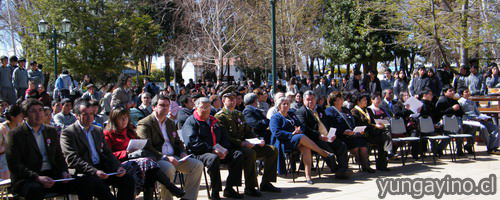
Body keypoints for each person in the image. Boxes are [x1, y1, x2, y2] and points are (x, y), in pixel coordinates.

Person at [6, 99, 93, 200]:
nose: (38, 114)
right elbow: (14, 164)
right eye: (33, 111)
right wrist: (36, 177)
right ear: (25, 115)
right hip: (28, 179)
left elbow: (59, 156)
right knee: (35, 189)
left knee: (85, 182)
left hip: (51, 175)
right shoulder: (16, 134)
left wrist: (64, 171)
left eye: (40, 110)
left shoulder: (51, 131)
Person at [60, 99, 135, 200]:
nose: (89, 117)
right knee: (101, 188)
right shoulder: (69, 133)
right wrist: (94, 171)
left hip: (101, 167)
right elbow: (72, 159)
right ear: (77, 115)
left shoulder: (97, 130)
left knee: (128, 180)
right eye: (85, 114)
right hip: (84, 171)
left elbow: (108, 152)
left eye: (91, 114)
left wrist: (118, 166)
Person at [104, 107, 185, 200]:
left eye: (126, 117)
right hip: (120, 163)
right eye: (120, 118)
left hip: (138, 160)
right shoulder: (108, 134)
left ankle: (155, 194)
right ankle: (170, 187)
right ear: (114, 120)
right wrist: (125, 153)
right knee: (148, 163)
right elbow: (108, 155)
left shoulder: (130, 132)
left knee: (149, 168)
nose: (124, 120)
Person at [215, 87, 280, 196]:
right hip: (233, 147)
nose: (233, 101)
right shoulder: (220, 117)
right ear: (223, 101)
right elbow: (226, 137)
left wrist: (257, 140)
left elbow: (248, 131)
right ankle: (250, 187)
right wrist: (241, 143)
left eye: (234, 98)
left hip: (246, 144)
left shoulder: (238, 114)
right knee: (250, 153)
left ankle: (266, 182)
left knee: (272, 150)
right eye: (230, 99)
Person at [136, 94, 203, 200]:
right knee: (169, 168)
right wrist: (165, 157)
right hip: (157, 159)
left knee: (197, 165)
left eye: (167, 105)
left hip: (175, 157)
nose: (165, 108)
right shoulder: (145, 123)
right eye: (162, 105)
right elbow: (146, 147)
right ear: (154, 107)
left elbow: (178, 142)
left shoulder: (170, 123)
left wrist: (182, 152)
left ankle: (188, 198)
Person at [183, 97, 244, 200]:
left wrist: (224, 149)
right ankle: (215, 191)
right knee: (213, 158)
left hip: (217, 150)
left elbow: (224, 137)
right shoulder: (191, 121)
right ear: (196, 108)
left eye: (207, 107)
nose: (205, 110)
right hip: (200, 153)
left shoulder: (213, 120)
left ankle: (229, 188)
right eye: (202, 107)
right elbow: (192, 142)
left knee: (237, 155)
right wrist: (211, 149)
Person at [270, 97, 335, 184]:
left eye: (288, 104)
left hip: (297, 139)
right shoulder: (275, 117)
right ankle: (323, 152)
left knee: (306, 148)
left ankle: (308, 177)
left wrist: (299, 129)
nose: (286, 106)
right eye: (284, 104)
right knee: (301, 137)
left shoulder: (291, 114)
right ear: (278, 106)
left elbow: (301, 125)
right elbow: (276, 132)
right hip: (284, 141)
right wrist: (292, 134)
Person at [295, 91, 350, 179]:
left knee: (342, 145)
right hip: (314, 139)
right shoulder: (301, 112)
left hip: (327, 136)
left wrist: (332, 133)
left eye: (312, 99)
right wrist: (319, 135)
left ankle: (343, 168)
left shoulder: (320, 108)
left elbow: (327, 122)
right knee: (327, 149)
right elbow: (305, 129)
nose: (310, 101)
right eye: (308, 99)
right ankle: (336, 170)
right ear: (303, 100)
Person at [325, 91, 374, 172]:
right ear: (334, 101)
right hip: (340, 135)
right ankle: (362, 164)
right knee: (354, 144)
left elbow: (352, 122)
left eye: (342, 98)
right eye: (340, 98)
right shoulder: (330, 110)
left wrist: (357, 131)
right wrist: (344, 132)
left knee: (362, 143)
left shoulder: (345, 110)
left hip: (351, 133)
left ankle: (365, 165)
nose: (342, 100)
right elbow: (332, 125)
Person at [350, 93, 391, 171]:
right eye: (364, 100)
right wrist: (375, 126)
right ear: (358, 102)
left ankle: (382, 164)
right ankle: (366, 164)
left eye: (366, 99)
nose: (366, 101)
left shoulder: (367, 109)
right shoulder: (354, 111)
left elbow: (373, 120)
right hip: (362, 134)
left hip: (371, 133)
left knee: (384, 138)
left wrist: (378, 124)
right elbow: (361, 124)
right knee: (380, 138)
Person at [458, 88, 500, 154]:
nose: (468, 93)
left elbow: (478, 113)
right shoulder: (460, 102)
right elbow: (462, 115)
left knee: (495, 128)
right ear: (461, 94)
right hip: (470, 121)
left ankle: (494, 146)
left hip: (479, 119)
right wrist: (474, 118)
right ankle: (490, 148)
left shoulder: (472, 102)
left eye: (469, 91)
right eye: (466, 92)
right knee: (483, 128)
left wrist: (484, 117)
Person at [0, 105, 23, 179]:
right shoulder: (2, 129)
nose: (22, 117)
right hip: (5, 159)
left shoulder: (21, 127)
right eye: (20, 115)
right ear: (13, 117)